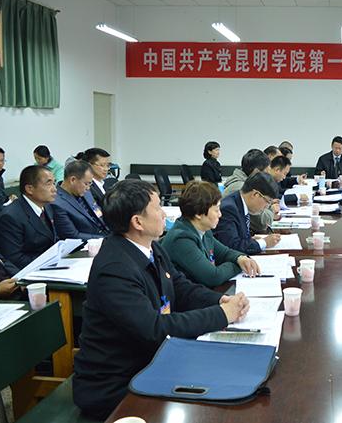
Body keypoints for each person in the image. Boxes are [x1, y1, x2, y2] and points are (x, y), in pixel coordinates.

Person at [73, 179, 250, 419]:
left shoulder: (151, 248)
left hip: (153, 362)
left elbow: (180, 287)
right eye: (158, 208)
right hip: (116, 384)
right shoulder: (114, 269)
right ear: (138, 222)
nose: (164, 214)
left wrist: (219, 302)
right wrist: (220, 316)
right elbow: (155, 328)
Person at [162, 181, 260, 288]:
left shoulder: (204, 229)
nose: (220, 214)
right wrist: (238, 264)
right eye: (216, 210)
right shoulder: (181, 239)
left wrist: (240, 258)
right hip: (189, 296)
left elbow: (224, 252)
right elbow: (214, 277)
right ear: (199, 213)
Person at [0, 166, 58, 269]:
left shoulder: (46, 207)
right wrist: (49, 262)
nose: (54, 189)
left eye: (54, 183)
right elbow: (14, 259)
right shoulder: (10, 217)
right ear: (29, 189)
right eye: (48, 184)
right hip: (31, 271)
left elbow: (51, 239)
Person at [215, 172, 281, 254]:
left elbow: (238, 235)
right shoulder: (228, 209)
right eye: (268, 201)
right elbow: (232, 246)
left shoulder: (239, 202)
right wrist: (263, 243)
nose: (267, 207)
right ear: (255, 194)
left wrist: (250, 239)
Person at [51, 161, 109, 242]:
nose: (88, 188)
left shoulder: (84, 191)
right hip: (89, 242)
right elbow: (73, 236)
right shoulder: (56, 203)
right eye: (87, 183)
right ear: (73, 180)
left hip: (105, 233)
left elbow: (98, 213)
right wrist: (104, 239)